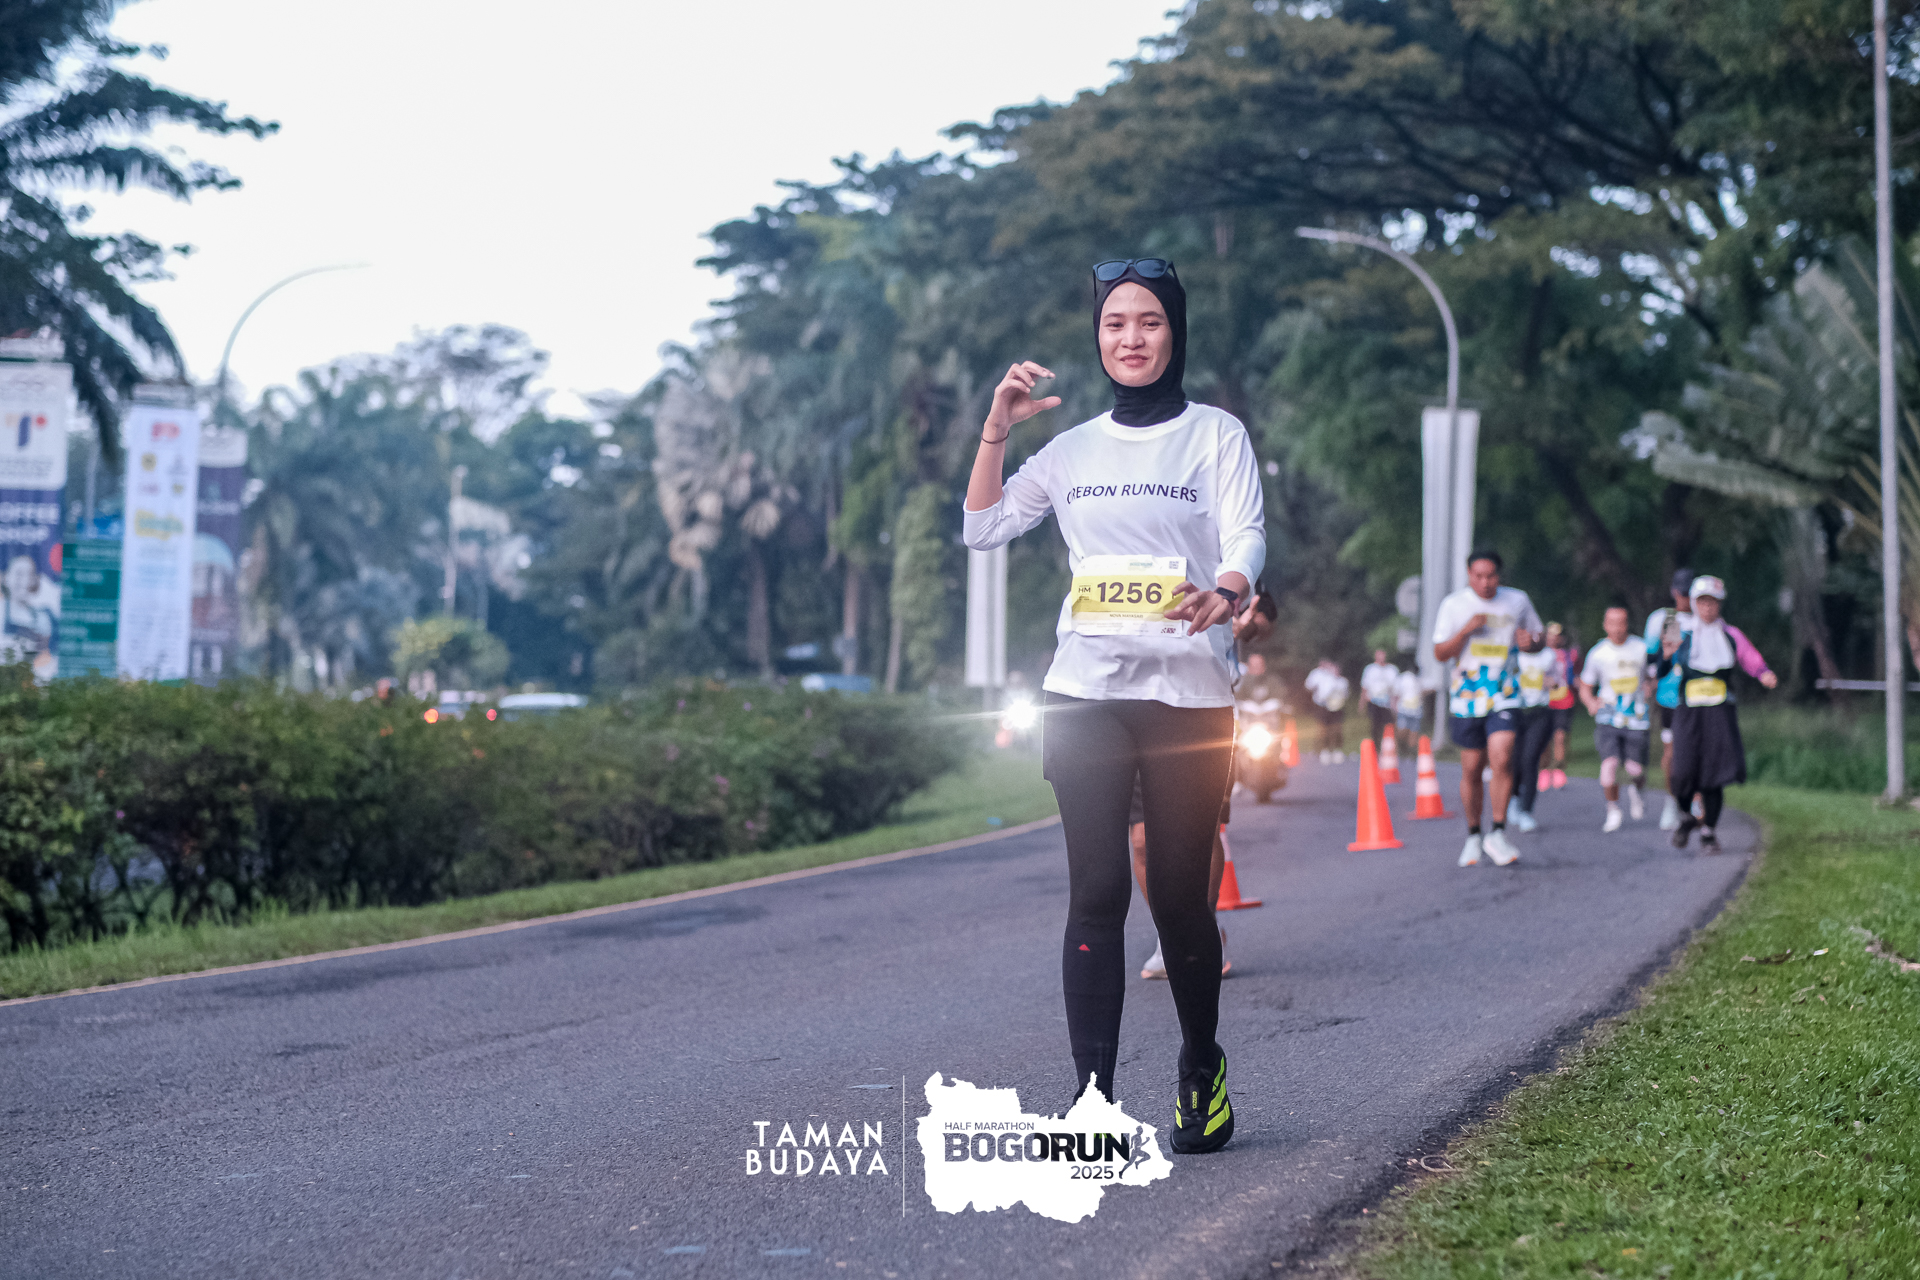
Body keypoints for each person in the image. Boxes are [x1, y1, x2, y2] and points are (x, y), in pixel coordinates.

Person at [962, 256, 1262, 1153]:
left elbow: (1245, 532)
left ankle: (1200, 1066)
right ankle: (1091, 1105)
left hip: (1188, 696)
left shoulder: (1215, 434)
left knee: (1177, 898)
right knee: (1096, 891)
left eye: (1149, 321)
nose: (1131, 338)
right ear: (1098, 338)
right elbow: (982, 527)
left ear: (1175, 331)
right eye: (1114, 324)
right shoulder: (1071, 450)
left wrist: (1229, 588)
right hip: (1084, 692)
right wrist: (996, 429)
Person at [1135, 589, 1275, 983]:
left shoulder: (1230, 561)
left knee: (1201, 831)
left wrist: (1243, 623)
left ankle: (1202, 929)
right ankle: (1169, 937)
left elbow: (1265, 616)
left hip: (1206, 708)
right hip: (1137, 707)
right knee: (1142, 840)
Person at [1431, 550, 1542, 868]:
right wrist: (1465, 631)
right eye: (1478, 576)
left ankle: (1498, 831)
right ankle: (1473, 834)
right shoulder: (1454, 605)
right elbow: (1440, 653)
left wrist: (1531, 643)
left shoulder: (1517, 601)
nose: (1485, 582)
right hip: (1467, 696)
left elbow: (1538, 638)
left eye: (1491, 575)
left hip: (1504, 692)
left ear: (1499, 576)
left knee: (1502, 756)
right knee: (1472, 769)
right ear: (1469, 575)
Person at [1656, 576, 1777, 852]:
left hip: (1720, 711)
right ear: (1694, 603)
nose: (1708, 608)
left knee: (1715, 773)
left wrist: (1764, 674)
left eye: (1713, 602)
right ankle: (1686, 816)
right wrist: (1666, 655)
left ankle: (1708, 831)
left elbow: (1749, 657)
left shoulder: (1730, 634)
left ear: (1720, 604)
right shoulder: (1678, 628)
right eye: (1703, 602)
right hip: (1688, 711)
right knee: (1681, 770)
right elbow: (1661, 669)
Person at [1578, 605, 1654, 832]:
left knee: (1634, 769)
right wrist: (1590, 703)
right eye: (1612, 623)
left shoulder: (1641, 648)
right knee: (1609, 765)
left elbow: (1653, 675)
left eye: (1621, 622)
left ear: (1627, 624)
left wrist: (1650, 686)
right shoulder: (1598, 653)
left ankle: (1638, 789)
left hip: (1636, 717)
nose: (1617, 628)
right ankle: (1613, 810)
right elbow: (1585, 685)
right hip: (1608, 717)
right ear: (1605, 625)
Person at [1643, 569, 1697, 830]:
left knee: (1698, 751)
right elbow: (1653, 658)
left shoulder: (1703, 619)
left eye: (1690, 593)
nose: (1685, 598)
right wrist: (1650, 680)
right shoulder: (1670, 620)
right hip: (1671, 696)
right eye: (1682, 593)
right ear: (1674, 592)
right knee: (1672, 753)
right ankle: (1672, 800)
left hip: (1698, 696)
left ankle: (1695, 799)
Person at [1506, 637, 1557, 832]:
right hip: (1515, 711)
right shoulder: (1512, 655)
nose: (1528, 637)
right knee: (1515, 759)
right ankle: (1513, 798)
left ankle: (1526, 810)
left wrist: (1553, 682)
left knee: (1530, 758)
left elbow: (1559, 681)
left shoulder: (1548, 656)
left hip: (1539, 712)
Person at [1540, 622, 1578, 790]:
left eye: (1556, 636)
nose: (1553, 639)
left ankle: (1559, 769)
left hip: (1564, 700)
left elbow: (1574, 675)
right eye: (1550, 635)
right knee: (1544, 738)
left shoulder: (1568, 655)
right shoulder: (1539, 655)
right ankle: (1543, 770)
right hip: (1544, 700)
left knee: (1560, 736)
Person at [1304, 659, 1349, 762]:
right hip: (1325, 707)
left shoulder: (1343, 681)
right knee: (1323, 729)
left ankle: (1337, 750)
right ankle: (1325, 750)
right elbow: (1322, 694)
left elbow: (1345, 694)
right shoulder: (1326, 680)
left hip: (1338, 708)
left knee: (1337, 729)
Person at [1360, 649, 1398, 749]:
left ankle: (1387, 747)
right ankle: (1375, 747)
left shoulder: (1391, 670)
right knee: (1375, 725)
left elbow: (1395, 690)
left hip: (1387, 703)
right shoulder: (1370, 669)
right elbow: (1364, 687)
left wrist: (1395, 704)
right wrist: (1362, 703)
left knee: (1388, 725)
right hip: (1373, 701)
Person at [1392, 663, 1425, 747]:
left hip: (1416, 710)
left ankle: (1410, 749)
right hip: (1404, 709)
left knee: (1413, 731)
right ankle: (1402, 747)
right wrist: (1394, 706)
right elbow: (1396, 693)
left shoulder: (1419, 679)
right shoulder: (1403, 678)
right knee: (1403, 730)